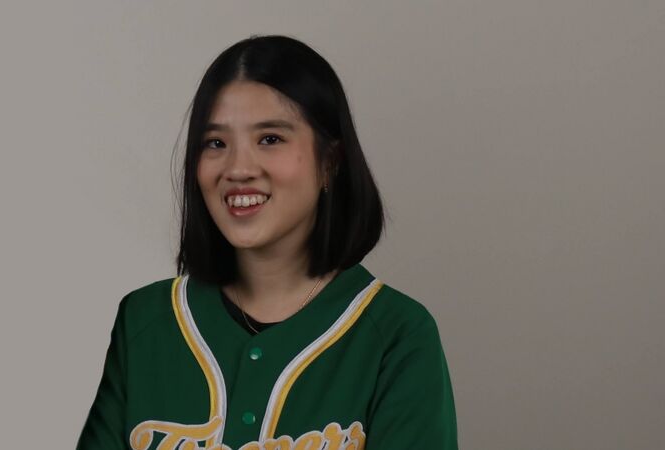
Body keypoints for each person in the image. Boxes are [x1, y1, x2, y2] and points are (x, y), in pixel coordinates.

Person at [76, 35, 457, 450]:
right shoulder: (145, 321)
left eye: (270, 139)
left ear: (330, 161)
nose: (239, 169)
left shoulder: (397, 335)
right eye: (215, 143)